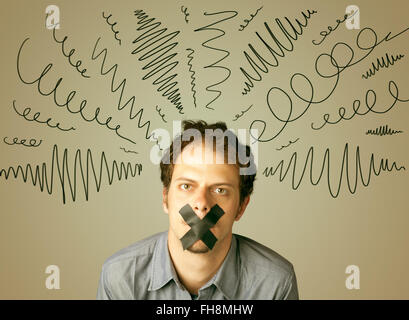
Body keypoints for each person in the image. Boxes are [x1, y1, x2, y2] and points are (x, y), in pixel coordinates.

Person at [97, 120, 299, 300]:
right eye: (186, 186)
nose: (201, 204)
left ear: (241, 207)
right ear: (166, 198)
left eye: (220, 190)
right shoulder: (120, 276)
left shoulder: (275, 284)